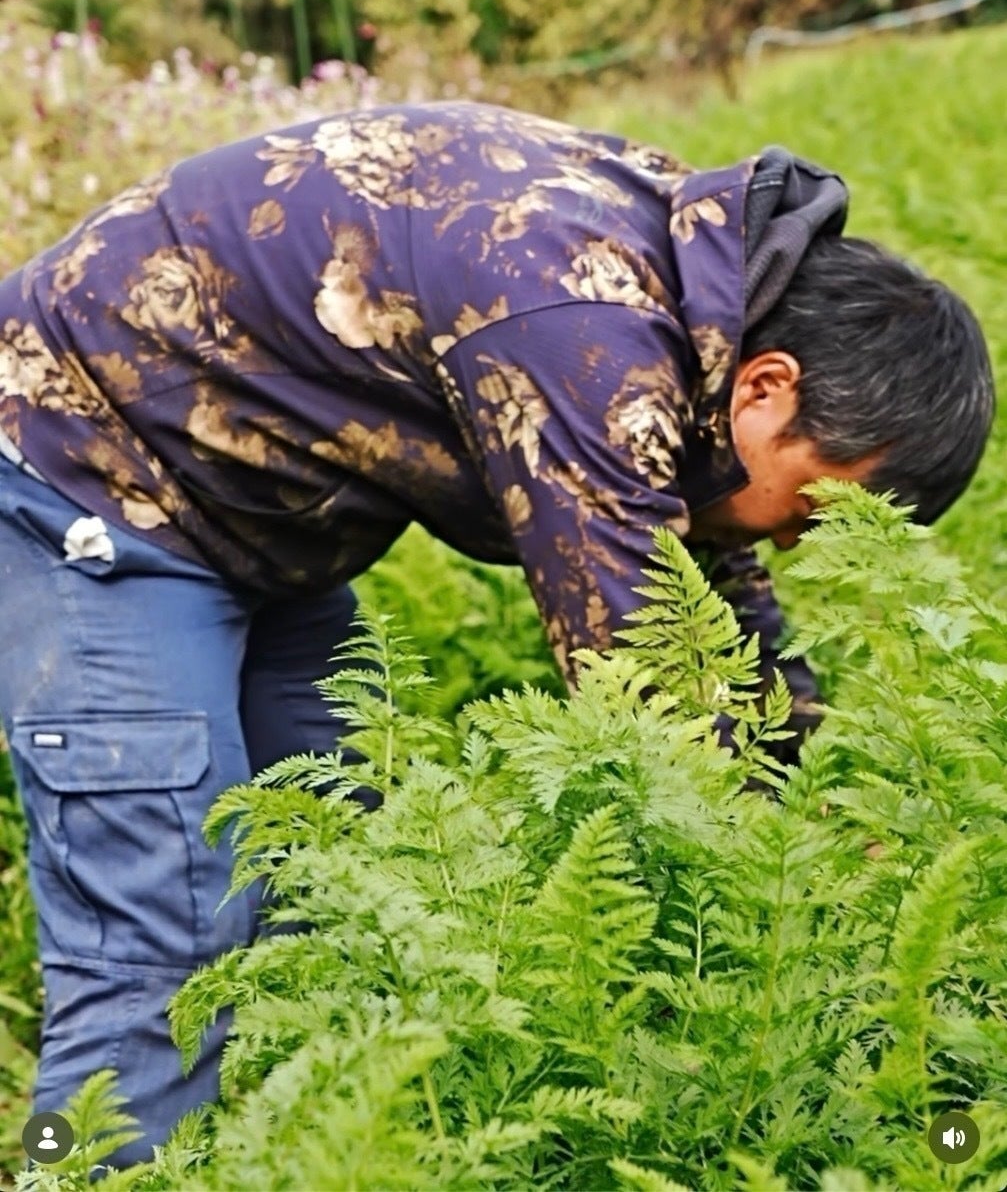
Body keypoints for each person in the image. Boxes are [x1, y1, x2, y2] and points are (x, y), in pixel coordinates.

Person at [0, 102, 993, 1164]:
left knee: (341, 872)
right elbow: (643, 688)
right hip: (84, 467)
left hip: (258, 519)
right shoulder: (581, 327)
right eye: (813, 507)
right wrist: (812, 890)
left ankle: (283, 1159)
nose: (794, 541)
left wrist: (827, 783)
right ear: (767, 386)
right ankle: (89, 1175)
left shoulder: (693, 294)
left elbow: (702, 581)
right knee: (165, 934)